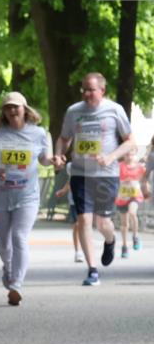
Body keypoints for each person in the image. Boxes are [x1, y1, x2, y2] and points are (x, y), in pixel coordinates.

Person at [53, 72, 135, 286]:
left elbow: (130, 141)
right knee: (84, 220)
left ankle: (110, 239)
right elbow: (64, 139)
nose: (87, 94)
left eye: (91, 90)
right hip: (81, 173)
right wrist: (59, 154)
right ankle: (92, 270)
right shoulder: (73, 111)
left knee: (103, 222)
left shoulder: (115, 110)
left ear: (102, 90)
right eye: (84, 89)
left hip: (106, 174)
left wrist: (111, 157)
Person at [0, 91, 53, 305]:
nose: (12, 110)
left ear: (24, 109)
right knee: (3, 243)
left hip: (27, 196)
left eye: (15, 106)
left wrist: (53, 160)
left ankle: (16, 285)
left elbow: (44, 159)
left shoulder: (38, 133)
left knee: (19, 237)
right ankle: (9, 268)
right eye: (8, 107)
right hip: (0, 195)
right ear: (4, 111)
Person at [53, 160, 85, 262]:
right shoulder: (71, 166)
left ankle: (86, 249)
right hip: (74, 200)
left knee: (85, 225)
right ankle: (78, 251)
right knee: (77, 225)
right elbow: (70, 180)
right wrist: (63, 190)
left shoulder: (92, 164)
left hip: (87, 199)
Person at [115, 149, 145, 257]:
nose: (129, 157)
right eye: (127, 154)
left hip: (134, 195)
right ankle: (124, 247)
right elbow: (114, 179)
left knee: (132, 213)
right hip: (122, 196)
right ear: (123, 155)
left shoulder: (140, 167)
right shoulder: (119, 166)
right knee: (124, 224)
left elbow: (144, 179)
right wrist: (123, 182)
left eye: (131, 154)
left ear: (135, 154)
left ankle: (135, 236)